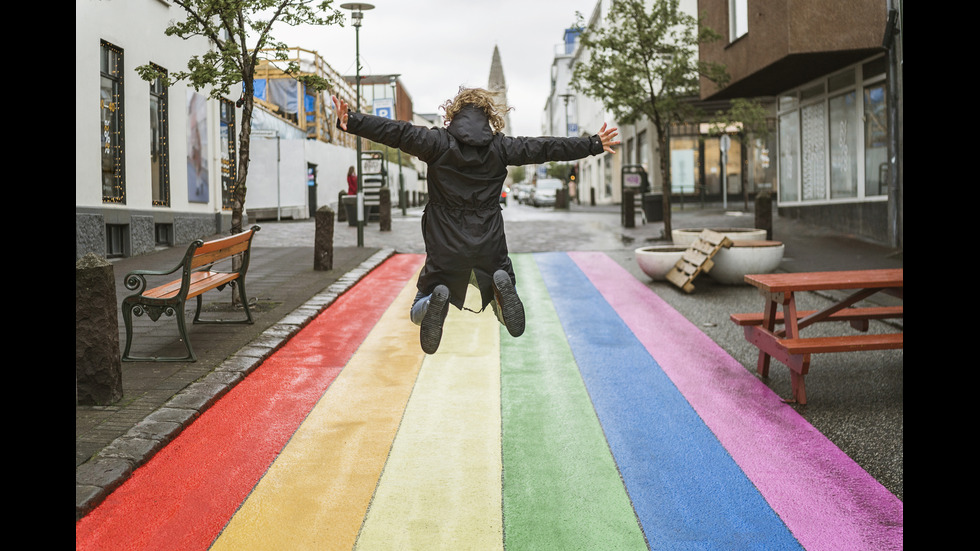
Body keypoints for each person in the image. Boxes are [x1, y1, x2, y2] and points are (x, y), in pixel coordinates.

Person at [332, 88, 619, 354]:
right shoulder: (501, 147)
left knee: (418, 305)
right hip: (489, 243)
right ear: (488, 117)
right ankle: (501, 296)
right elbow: (544, 148)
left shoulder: (436, 142)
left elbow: (396, 132)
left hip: (445, 245)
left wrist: (353, 121)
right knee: (501, 300)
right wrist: (592, 144)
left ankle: (434, 301)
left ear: (453, 114)